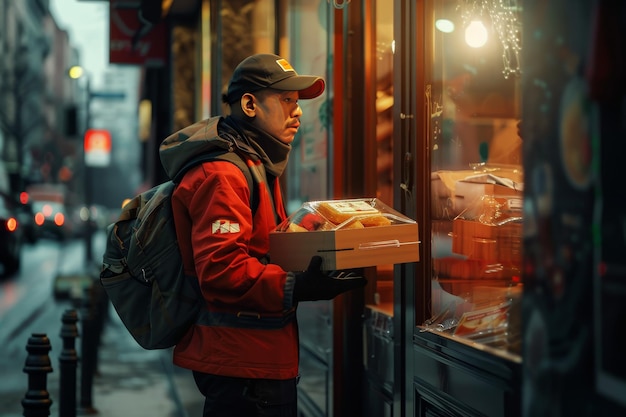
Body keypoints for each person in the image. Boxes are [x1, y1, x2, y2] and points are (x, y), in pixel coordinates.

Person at [158, 53, 367, 417]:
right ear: (250, 104)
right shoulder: (224, 173)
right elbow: (222, 270)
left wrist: (319, 243)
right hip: (243, 371)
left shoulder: (256, 163)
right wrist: (298, 285)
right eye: (287, 100)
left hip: (257, 362)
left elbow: (263, 248)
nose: (297, 111)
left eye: (298, 103)